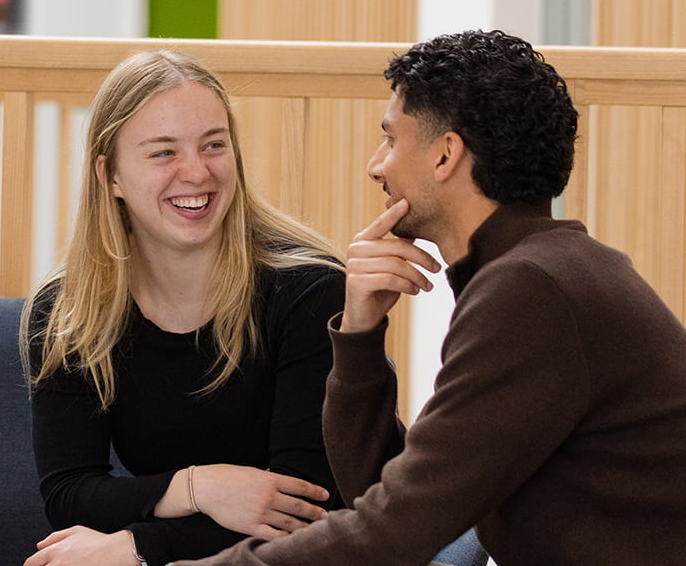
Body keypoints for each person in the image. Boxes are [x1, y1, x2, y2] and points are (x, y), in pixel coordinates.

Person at [178, 30, 686, 565]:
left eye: (392, 140)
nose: (377, 166)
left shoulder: (533, 291)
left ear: (446, 155)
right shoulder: (548, 271)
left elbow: (395, 533)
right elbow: (394, 500)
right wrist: (359, 335)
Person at [22, 50, 347, 566]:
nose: (197, 172)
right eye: (163, 152)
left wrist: (137, 546)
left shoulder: (310, 290)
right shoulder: (69, 310)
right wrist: (199, 488)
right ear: (110, 176)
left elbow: (306, 514)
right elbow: (69, 494)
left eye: (214, 145)